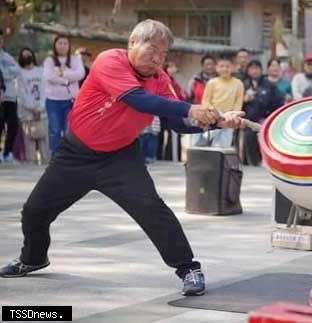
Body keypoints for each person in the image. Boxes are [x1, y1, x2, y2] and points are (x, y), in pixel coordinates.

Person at [0, 20, 245, 297]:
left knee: (152, 209)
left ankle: (188, 268)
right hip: (75, 154)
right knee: (34, 212)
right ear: (132, 43)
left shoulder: (161, 80)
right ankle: (33, 258)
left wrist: (218, 123)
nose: (158, 60)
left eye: (164, 55)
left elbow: (175, 123)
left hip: (120, 158)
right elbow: (138, 100)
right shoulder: (110, 61)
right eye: (152, 50)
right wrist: (192, 108)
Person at [43, 35, 85, 156]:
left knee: (69, 131)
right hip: (53, 101)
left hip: (70, 100)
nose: (62, 46)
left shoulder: (75, 59)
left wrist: (63, 73)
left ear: (69, 45)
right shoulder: (49, 60)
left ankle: (68, 156)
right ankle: (55, 156)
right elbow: (49, 77)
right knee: (55, 131)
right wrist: (66, 81)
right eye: (59, 43)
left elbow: (80, 74)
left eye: (65, 43)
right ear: (55, 45)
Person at [241, 60, 283, 165]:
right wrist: (244, 100)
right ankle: (252, 164)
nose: (254, 71)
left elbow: (278, 101)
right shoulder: (243, 85)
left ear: (261, 70)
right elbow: (237, 103)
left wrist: (270, 117)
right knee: (249, 144)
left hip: (265, 121)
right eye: (252, 69)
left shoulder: (269, 85)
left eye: (257, 68)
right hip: (248, 121)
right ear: (248, 71)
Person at [201, 57, 244, 147]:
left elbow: (238, 103)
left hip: (229, 118)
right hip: (213, 117)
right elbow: (205, 101)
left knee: (222, 146)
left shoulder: (238, 83)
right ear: (217, 68)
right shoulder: (212, 82)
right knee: (204, 141)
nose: (224, 69)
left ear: (232, 68)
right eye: (222, 66)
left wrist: (232, 115)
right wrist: (214, 113)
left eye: (227, 66)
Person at [17, 48, 49, 164]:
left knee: (44, 140)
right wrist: (32, 107)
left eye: (28, 54)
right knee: (29, 141)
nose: (27, 57)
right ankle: (31, 166)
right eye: (24, 55)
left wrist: (40, 107)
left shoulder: (41, 71)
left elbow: (44, 90)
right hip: (27, 114)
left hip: (42, 112)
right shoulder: (19, 73)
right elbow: (21, 93)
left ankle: (46, 163)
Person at [157, 60, 188, 161]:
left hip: (172, 111)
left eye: (174, 67)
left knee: (172, 136)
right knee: (163, 136)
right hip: (167, 112)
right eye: (171, 67)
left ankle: (170, 157)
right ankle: (169, 158)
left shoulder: (173, 81)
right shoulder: (164, 80)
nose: (174, 69)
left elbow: (181, 96)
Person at [0, 27, 21, 163]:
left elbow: (17, 70)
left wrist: (3, 72)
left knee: (13, 124)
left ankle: (7, 153)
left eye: (1, 39)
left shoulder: (7, 56)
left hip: (10, 96)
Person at [188, 55, 217, 146]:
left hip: (214, 115)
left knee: (213, 144)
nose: (209, 67)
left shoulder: (220, 80)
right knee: (195, 143)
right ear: (202, 66)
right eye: (207, 64)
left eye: (211, 64)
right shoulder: (195, 80)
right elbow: (189, 97)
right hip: (197, 115)